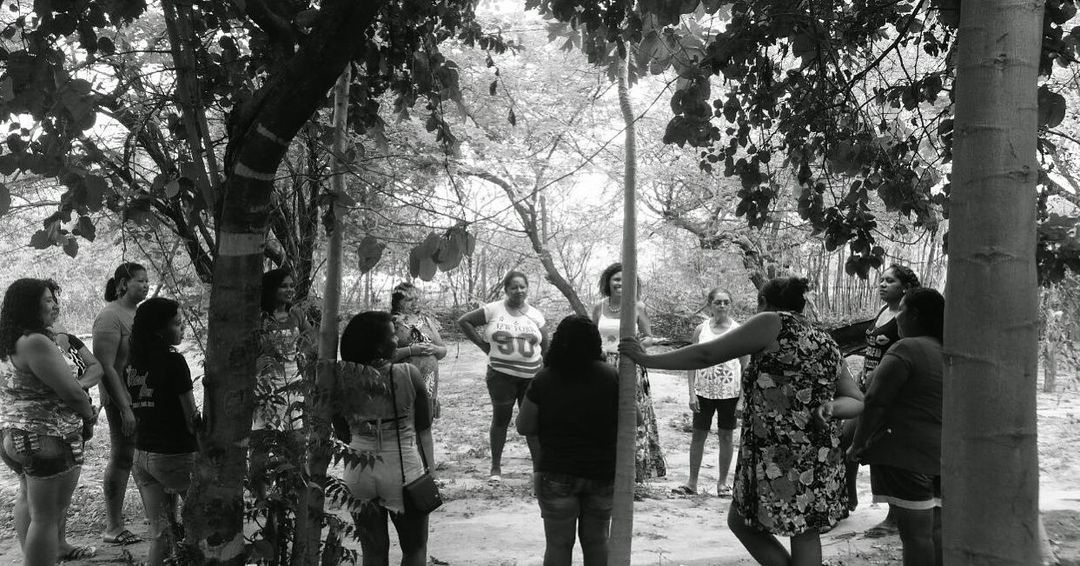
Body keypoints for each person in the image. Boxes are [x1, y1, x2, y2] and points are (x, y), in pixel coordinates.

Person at [621, 276, 864, 566]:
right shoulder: (824, 339)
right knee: (803, 530)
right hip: (819, 453)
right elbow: (856, 400)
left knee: (744, 522)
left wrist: (647, 359)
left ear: (763, 302)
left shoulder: (772, 321)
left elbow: (706, 354)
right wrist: (832, 407)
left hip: (780, 452)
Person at [0, 279, 98, 565]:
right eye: (47, 300)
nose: (54, 305)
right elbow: (71, 392)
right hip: (47, 437)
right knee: (47, 517)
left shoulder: (10, 340)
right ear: (29, 306)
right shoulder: (36, 341)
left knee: (28, 499)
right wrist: (88, 414)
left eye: (54, 299)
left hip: (13, 436)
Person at [849, 288, 944, 566]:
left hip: (907, 457)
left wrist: (858, 443)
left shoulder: (906, 349)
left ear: (914, 315)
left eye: (900, 310)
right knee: (936, 529)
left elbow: (875, 401)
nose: (896, 317)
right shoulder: (946, 350)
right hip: (942, 455)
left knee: (915, 535)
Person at [517, 315, 618, 566]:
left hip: (556, 471)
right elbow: (634, 418)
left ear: (558, 342)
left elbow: (524, 426)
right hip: (602, 472)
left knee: (558, 544)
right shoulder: (611, 376)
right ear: (595, 342)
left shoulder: (544, 378)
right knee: (597, 540)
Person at [336, 311, 433, 566]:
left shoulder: (340, 380)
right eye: (392, 335)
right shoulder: (408, 374)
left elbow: (341, 432)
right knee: (414, 548)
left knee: (373, 552)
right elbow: (424, 427)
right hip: (402, 469)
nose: (398, 340)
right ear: (379, 347)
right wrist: (430, 471)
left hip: (358, 470)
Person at [843, 264, 920, 531]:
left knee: (882, 450)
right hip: (866, 388)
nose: (882, 284)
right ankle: (848, 499)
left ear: (906, 288)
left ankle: (894, 516)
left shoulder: (908, 318)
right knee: (845, 439)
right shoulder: (883, 310)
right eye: (882, 280)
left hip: (889, 392)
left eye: (890, 281)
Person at [127, 298, 199, 566]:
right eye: (177, 323)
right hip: (175, 455)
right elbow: (191, 417)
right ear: (159, 328)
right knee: (201, 523)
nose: (183, 328)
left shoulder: (132, 364)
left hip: (142, 456)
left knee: (160, 534)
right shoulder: (173, 361)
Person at [458, 271, 547, 482]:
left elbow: (545, 345)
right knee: (501, 420)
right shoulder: (493, 309)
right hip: (501, 377)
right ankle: (495, 469)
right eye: (514, 287)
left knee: (532, 423)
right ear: (506, 289)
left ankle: (539, 471)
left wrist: (543, 371)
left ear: (527, 289)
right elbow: (464, 321)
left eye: (522, 286)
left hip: (531, 378)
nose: (519, 290)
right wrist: (483, 346)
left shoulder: (536, 315)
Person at [93, 262, 150, 545]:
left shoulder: (140, 313)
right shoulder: (109, 316)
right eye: (140, 280)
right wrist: (124, 406)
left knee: (146, 454)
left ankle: (158, 516)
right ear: (123, 284)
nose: (146, 285)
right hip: (121, 396)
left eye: (147, 280)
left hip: (144, 394)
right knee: (123, 455)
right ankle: (113, 526)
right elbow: (105, 366)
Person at [591, 262, 665, 483]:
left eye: (625, 280)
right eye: (616, 279)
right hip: (602, 367)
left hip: (630, 365)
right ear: (608, 282)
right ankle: (603, 466)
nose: (620, 283)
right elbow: (591, 336)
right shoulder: (599, 307)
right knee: (602, 414)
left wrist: (638, 346)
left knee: (633, 414)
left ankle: (634, 471)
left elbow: (649, 337)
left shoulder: (638, 307)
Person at [672, 287, 748, 497]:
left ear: (731, 305)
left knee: (726, 436)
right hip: (703, 392)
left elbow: (746, 366)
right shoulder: (701, 330)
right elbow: (692, 361)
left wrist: (742, 399)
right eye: (718, 302)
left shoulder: (739, 331)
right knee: (698, 435)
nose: (722, 306)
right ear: (710, 305)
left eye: (726, 302)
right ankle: (692, 483)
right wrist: (691, 393)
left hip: (730, 393)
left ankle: (722, 484)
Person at [253, 268, 313, 430]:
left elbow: (312, 339)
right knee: (266, 436)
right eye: (284, 286)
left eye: (292, 286)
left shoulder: (296, 314)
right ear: (271, 288)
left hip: (294, 384)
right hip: (267, 387)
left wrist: (303, 354)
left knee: (295, 435)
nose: (290, 290)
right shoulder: (259, 318)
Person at [390, 282, 448, 423]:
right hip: (403, 385)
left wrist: (434, 349)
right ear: (398, 302)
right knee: (405, 426)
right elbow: (384, 357)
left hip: (428, 384)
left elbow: (443, 350)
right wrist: (411, 350)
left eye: (417, 299)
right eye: (409, 300)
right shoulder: (391, 323)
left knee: (425, 424)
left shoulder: (426, 321)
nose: (415, 303)